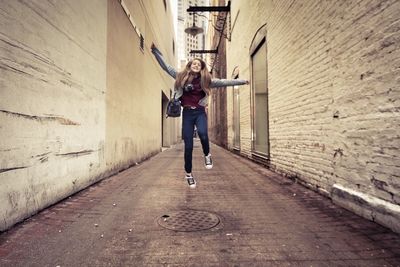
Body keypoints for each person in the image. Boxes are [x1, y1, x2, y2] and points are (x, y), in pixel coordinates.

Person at [151, 43, 249, 188]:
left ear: (201, 68)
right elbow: (166, 67)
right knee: (188, 146)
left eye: (199, 64)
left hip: (199, 112)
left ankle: (207, 155)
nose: (196, 65)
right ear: (190, 65)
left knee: (203, 134)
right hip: (187, 114)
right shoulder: (180, 77)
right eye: (194, 63)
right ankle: (189, 174)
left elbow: (223, 82)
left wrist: (242, 81)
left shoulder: (206, 81)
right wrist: (155, 51)